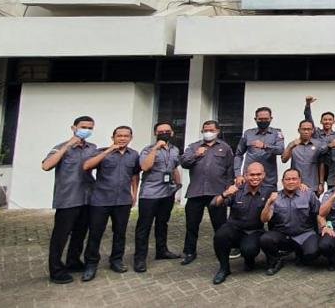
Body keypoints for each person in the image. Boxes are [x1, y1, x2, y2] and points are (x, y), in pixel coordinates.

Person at [41, 115, 98, 284]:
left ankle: (73, 261)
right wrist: (67, 146)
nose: (86, 130)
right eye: (83, 127)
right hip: (67, 198)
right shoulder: (60, 147)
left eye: (90, 128)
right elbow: (46, 165)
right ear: (74, 128)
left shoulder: (92, 148)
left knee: (80, 233)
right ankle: (56, 270)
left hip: (87, 197)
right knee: (60, 236)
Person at [81, 126, 140, 282]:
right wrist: (108, 151)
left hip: (123, 200)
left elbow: (135, 175)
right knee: (95, 233)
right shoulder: (101, 152)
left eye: (126, 136)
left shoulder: (134, 155)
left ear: (131, 138)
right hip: (100, 200)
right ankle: (91, 264)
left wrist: (134, 194)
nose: (122, 138)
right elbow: (87, 166)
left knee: (120, 232)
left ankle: (116, 260)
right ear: (113, 137)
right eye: (119, 136)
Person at [180, 120, 233, 266]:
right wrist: (196, 155)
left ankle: (222, 251)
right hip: (196, 192)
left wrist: (228, 191)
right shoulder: (193, 147)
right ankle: (189, 252)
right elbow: (184, 163)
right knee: (192, 224)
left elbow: (230, 170)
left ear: (217, 131)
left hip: (217, 192)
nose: (208, 132)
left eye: (211, 130)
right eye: (205, 130)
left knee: (220, 225)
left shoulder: (225, 148)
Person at [211, 162, 273, 284]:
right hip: (234, 229)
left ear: (264, 175)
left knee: (249, 250)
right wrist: (225, 194)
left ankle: (249, 260)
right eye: (252, 174)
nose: (255, 177)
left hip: (254, 231)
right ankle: (224, 269)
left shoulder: (269, 191)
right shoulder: (236, 190)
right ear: (245, 175)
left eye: (258, 174)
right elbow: (214, 204)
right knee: (220, 236)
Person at [133, 121, 182, 273]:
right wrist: (156, 148)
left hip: (167, 193)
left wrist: (178, 184)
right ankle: (140, 258)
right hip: (150, 194)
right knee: (144, 226)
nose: (164, 133)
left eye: (167, 131)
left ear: (172, 133)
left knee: (162, 223)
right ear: (155, 133)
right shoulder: (148, 149)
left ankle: (162, 251)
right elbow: (145, 167)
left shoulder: (175, 150)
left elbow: (174, 167)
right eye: (161, 131)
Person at [259, 168, 323, 275]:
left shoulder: (309, 194)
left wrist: (324, 228)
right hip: (282, 235)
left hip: (304, 234)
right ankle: (276, 260)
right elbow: (264, 219)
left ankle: (300, 254)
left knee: (312, 253)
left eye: (294, 179)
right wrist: (269, 203)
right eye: (287, 179)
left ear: (300, 180)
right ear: (282, 181)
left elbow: (319, 213)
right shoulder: (275, 197)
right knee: (265, 239)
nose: (291, 182)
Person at [234, 107, 285, 190]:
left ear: (271, 119)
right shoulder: (248, 133)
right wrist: (238, 175)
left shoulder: (277, 133)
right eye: (260, 119)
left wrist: (265, 146)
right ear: (255, 119)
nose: (263, 121)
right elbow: (238, 155)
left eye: (266, 119)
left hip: (269, 180)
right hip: (249, 179)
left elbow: (281, 150)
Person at [282, 120, 328, 196]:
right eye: (304, 129)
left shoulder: (318, 145)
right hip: (295, 185)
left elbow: (321, 165)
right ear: (299, 130)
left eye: (309, 129)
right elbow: (284, 159)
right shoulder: (293, 144)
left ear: (312, 130)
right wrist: (291, 146)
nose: (306, 132)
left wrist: (321, 183)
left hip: (313, 185)